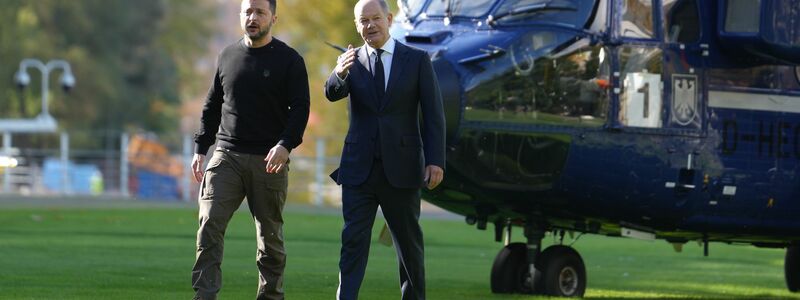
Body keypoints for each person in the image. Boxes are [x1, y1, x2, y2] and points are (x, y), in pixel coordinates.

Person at [324, 0, 445, 299]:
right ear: (357, 25)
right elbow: (332, 93)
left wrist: (435, 161)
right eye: (363, 21)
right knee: (353, 242)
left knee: (408, 246)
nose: (370, 25)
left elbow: (433, 115)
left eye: (376, 18)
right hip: (358, 171)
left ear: (389, 19)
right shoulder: (349, 60)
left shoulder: (416, 60)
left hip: (402, 169)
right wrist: (338, 73)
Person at [190, 0, 309, 299]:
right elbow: (211, 106)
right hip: (226, 155)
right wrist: (201, 148)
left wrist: (285, 144)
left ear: (273, 18)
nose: (252, 18)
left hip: (269, 160)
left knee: (269, 238)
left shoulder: (290, 60)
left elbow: (301, 109)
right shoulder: (227, 55)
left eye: (260, 12)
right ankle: (204, 295)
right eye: (247, 12)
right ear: (241, 16)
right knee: (209, 224)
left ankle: (270, 296)